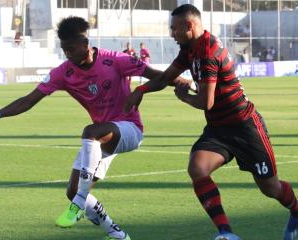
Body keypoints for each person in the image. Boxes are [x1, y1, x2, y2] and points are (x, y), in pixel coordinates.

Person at [0, 16, 192, 240]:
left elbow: (159, 76)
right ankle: (117, 235)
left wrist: (180, 81)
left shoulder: (115, 60)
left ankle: (78, 204)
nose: (67, 54)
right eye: (64, 49)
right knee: (72, 190)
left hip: (129, 129)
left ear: (86, 44)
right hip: (100, 140)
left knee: (90, 132)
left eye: (71, 48)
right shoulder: (63, 72)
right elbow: (29, 100)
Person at [124, 4, 298, 240]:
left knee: (271, 188)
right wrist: (141, 89)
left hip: (246, 127)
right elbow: (166, 77)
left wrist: (185, 97)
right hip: (219, 129)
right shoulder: (190, 49)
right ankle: (226, 233)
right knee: (197, 168)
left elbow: (206, 102)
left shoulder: (208, 52)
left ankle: (296, 211)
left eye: (175, 29)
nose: (171, 34)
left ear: (190, 26)